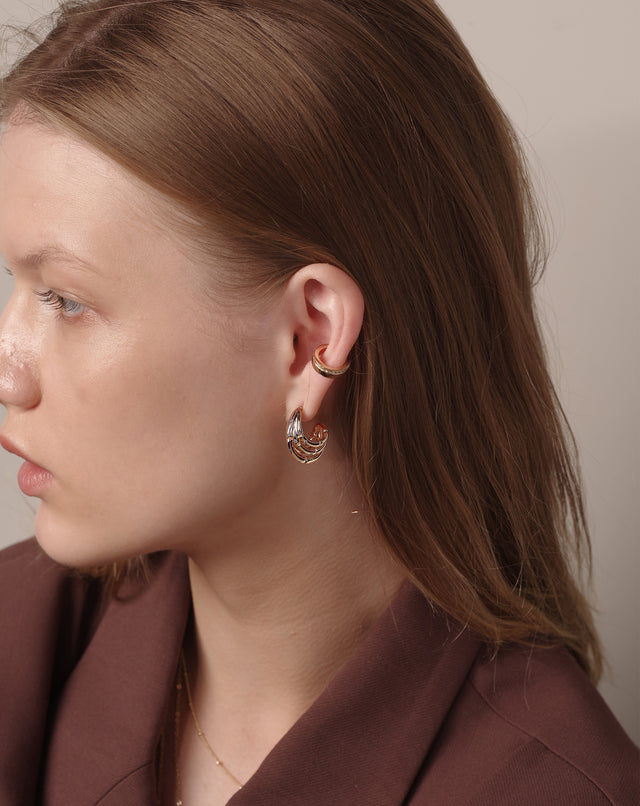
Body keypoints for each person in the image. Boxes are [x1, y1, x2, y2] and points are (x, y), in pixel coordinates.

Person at [0, 0, 637, 803]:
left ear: (311, 340)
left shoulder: (552, 786)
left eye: (64, 300)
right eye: (13, 287)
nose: (8, 375)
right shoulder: (19, 640)